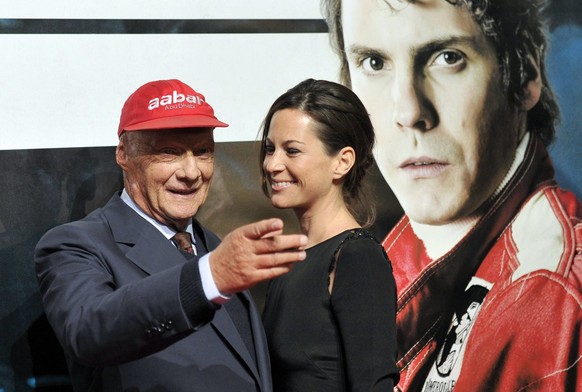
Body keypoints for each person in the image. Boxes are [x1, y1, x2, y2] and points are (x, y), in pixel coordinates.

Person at [321, 0, 582, 391]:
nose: (408, 111)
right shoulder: (385, 257)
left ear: (524, 74)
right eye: (374, 63)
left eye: (447, 57)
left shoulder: (561, 309)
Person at [34, 79, 308, 392]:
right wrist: (209, 278)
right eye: (169, 153)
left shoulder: (215, 247)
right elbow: (87, 332)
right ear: (124, 154)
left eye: (203, 151)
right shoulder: (76, 245)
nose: (191, 172)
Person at [259, 78, 399, 391]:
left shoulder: (356, 257)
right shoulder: (290, 261)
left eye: (292, 151)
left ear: (342, 162)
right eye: (270, 149)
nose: (272, 164)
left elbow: (373, 384)